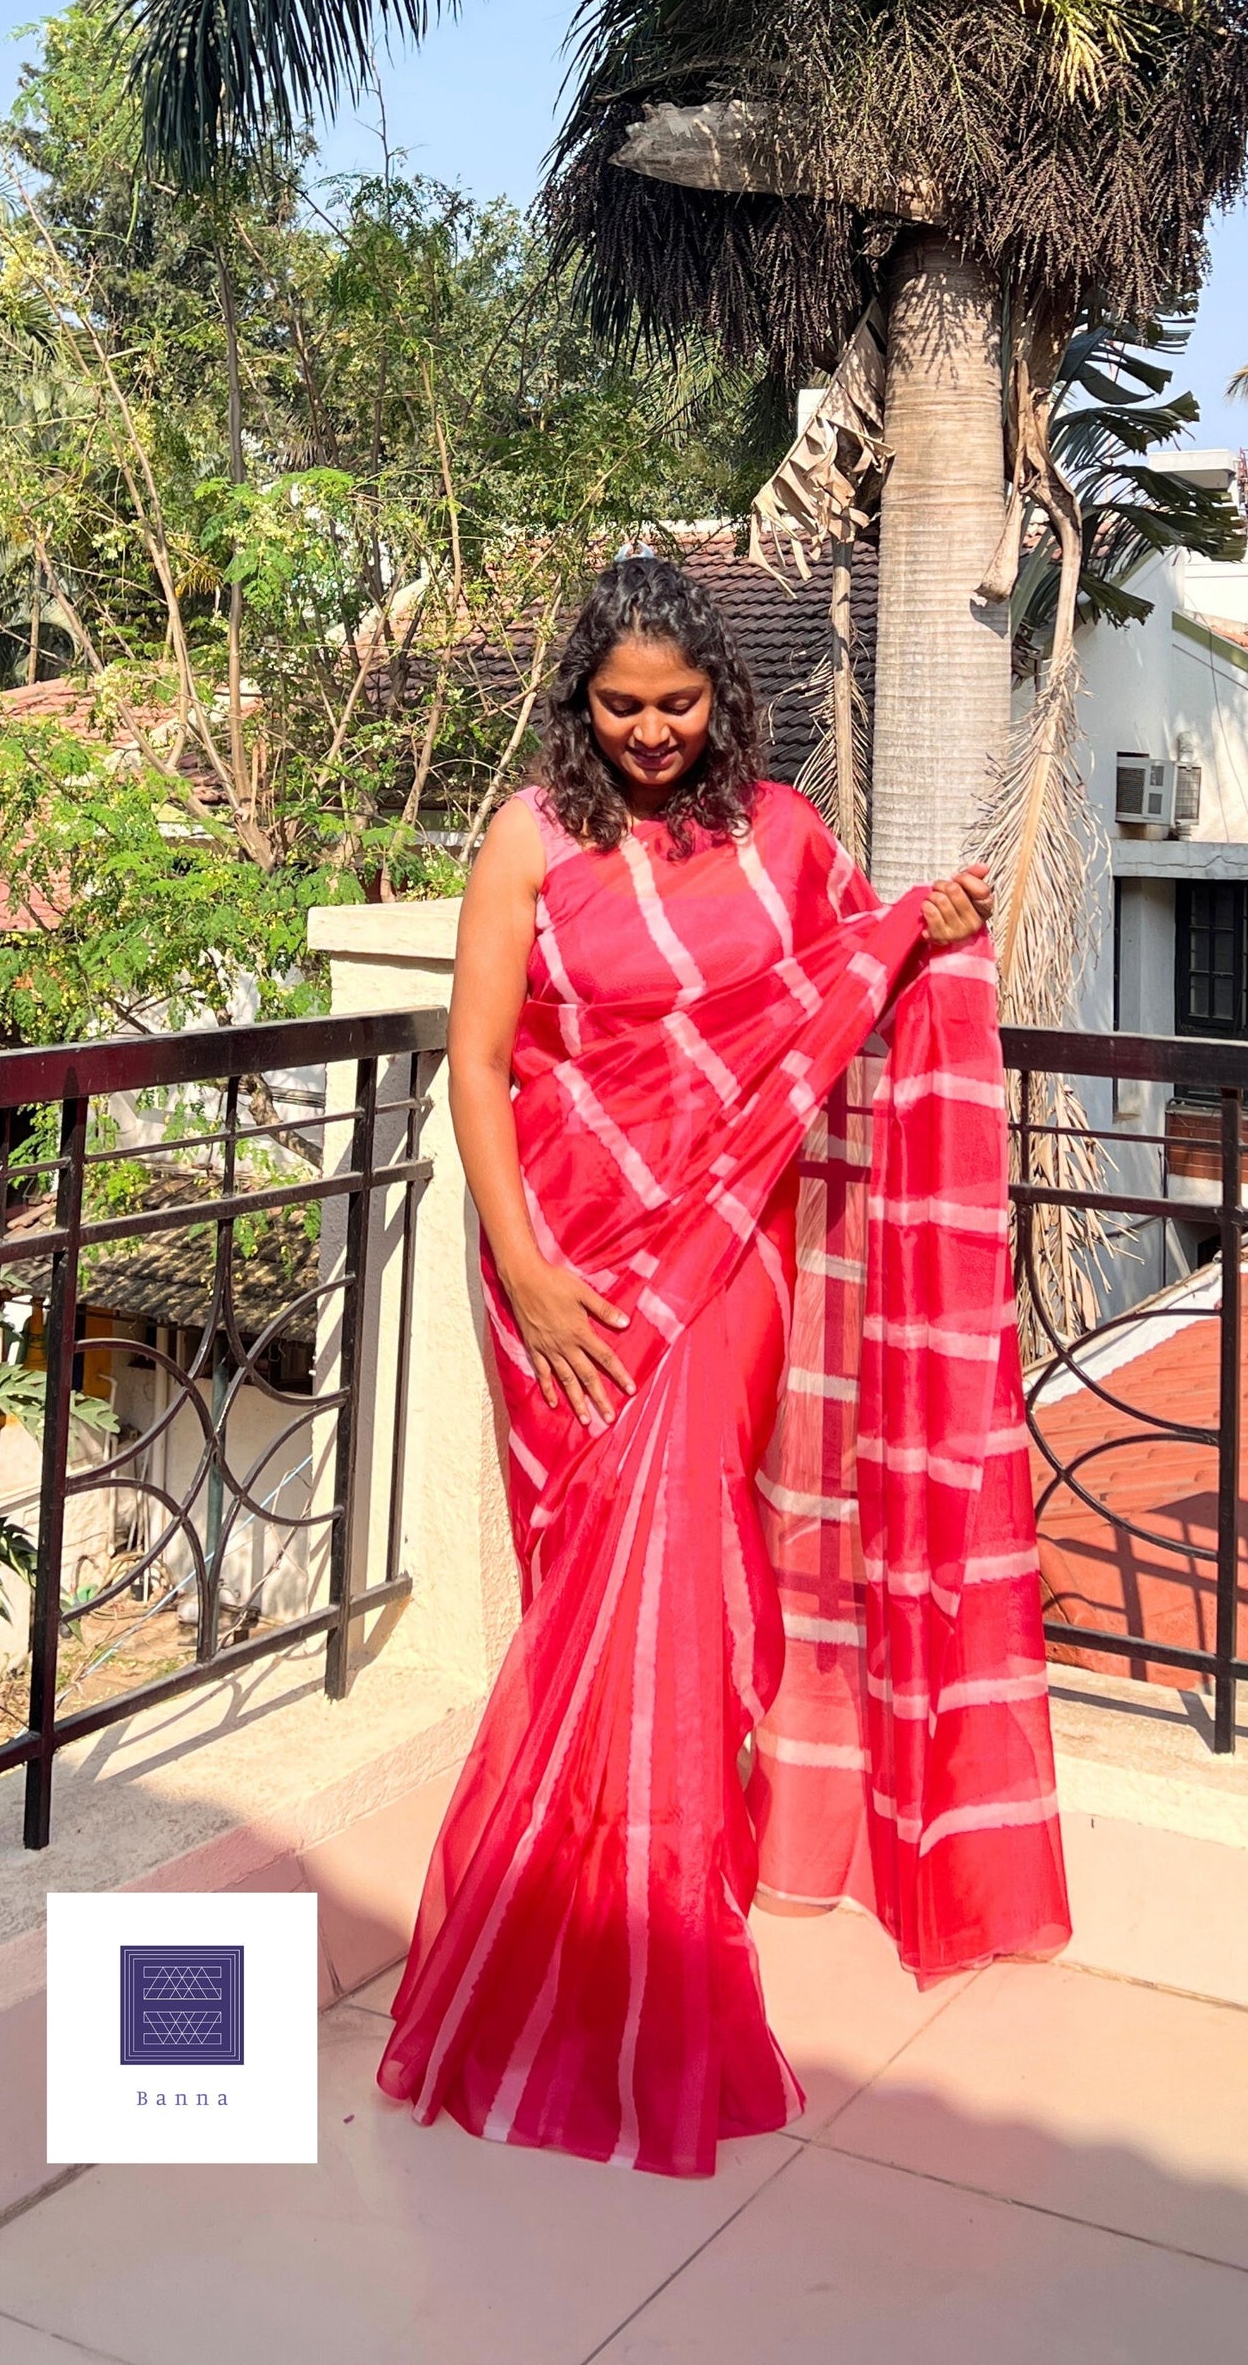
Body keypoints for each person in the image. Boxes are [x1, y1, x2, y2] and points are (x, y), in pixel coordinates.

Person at [376, 556, 1070, 2176]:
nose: (648, 733)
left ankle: (661, 1930)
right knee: (595, 1574)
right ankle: (591, 1896)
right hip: (558, 1243)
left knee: (678, 1551)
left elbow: (839, 986)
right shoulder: (529, 841)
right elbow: (476, 1067)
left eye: (676, 704)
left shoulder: (785, 839)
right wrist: (534, 1273)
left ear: (721, 696)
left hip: (727, 1248)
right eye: (618, 707)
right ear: (580, 703)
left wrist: (924, 925)